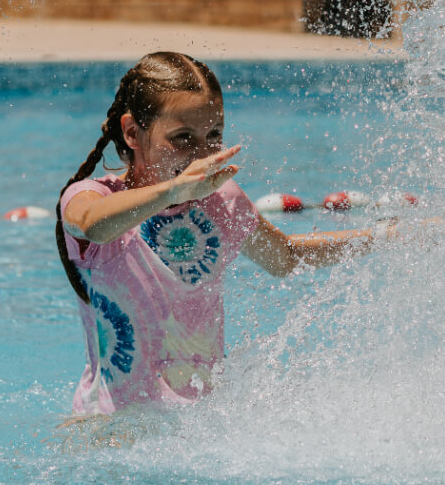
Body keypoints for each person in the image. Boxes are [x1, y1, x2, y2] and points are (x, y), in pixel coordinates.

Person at [55, 51, 402, 415]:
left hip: (199, 428)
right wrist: (173, 192)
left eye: (214, 135)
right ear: (132, 133)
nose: (203, 154)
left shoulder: (220, 202)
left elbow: (286, 257)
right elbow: (92, 224)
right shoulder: (92, 197)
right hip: (111, 430)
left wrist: (389, 236)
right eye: (183, 137)